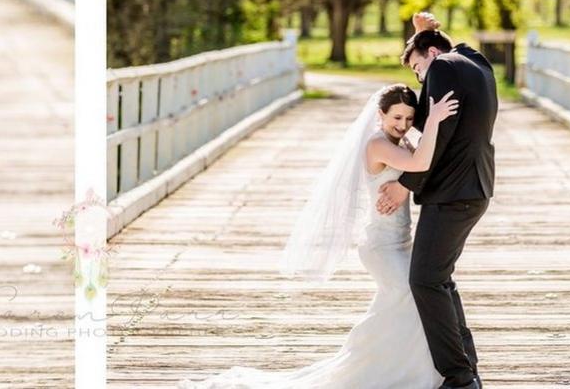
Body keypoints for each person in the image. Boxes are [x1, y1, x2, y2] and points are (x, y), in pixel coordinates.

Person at [180, 82, 458, 388]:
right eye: (396, 118)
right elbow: (420, 164)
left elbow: (421, 168)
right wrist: (432, 121)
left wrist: (407, 182)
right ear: (380, 115)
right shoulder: (377, 145)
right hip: (382, 247)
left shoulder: (401, 143)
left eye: (408, 119)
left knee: (408, 302)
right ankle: (370, 367)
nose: (403, 125)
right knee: (410, 296)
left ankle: (399, 369)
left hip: (402, 243)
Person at [377, 12, 498, 389]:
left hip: (452, 193)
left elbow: (440, 132)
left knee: (426, 280)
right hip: (474, 189)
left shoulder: (442, 67)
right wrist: (422, 36)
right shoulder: (476, 62)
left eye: (417, 69)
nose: (419, 79)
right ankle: (468, 368)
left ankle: (460, 378)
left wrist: (405, 184)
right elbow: (439, 116)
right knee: (439, 279)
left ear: (431, 54)